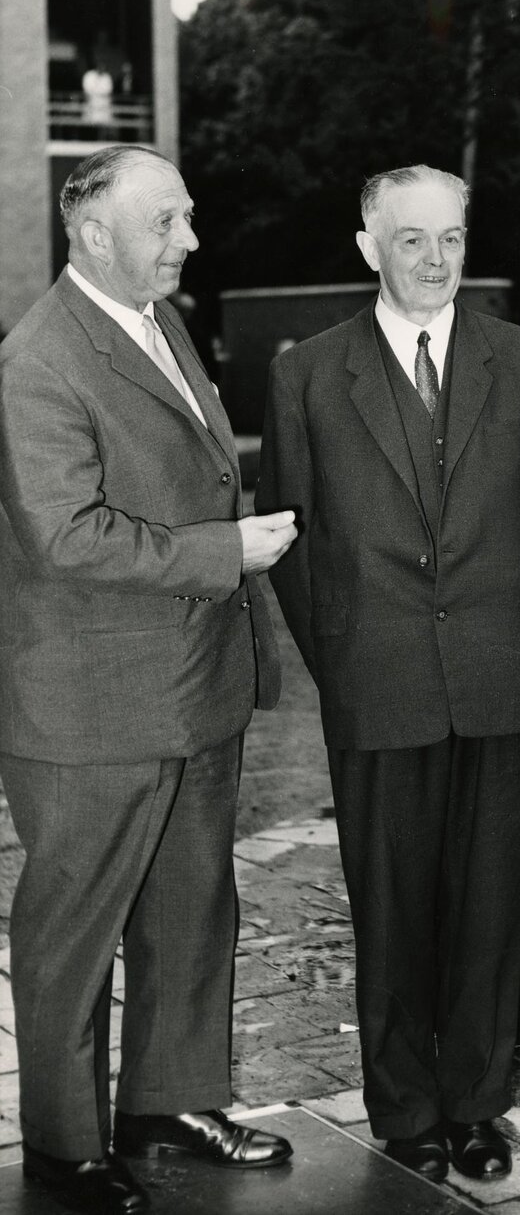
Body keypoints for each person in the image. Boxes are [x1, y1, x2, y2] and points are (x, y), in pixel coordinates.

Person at [0, 145, 298, 1214]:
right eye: (165, 221)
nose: (191, 239)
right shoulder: (37, 360)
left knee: (190, 910)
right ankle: (64, 1149)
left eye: (187, 216)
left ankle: (168, 1104)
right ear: (93, 234)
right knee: (73, 931)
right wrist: (228, 552)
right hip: (91, 704)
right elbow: (62, 535)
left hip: (192, 684)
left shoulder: (157, 322)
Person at [256, 164, 520, 1185]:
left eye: (451, 238)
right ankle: (406, 1110)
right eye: (411, 239)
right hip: (377, 677)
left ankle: (476, 1104)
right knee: (389, 906)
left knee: (490, 903)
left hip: (500, 671)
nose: (435, 260)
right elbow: (293, 542)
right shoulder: (309, 374)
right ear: (368, 247)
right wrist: (344, 659)